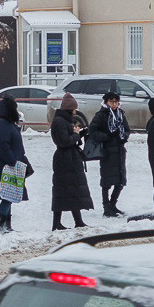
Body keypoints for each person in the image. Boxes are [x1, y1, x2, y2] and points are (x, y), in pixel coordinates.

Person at [48, 94, 93, 230]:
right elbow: (64, 141)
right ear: (69, 109)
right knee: (62, 191)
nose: (75, 112)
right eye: (74, 109)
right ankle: (57, 223)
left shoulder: (64, 120)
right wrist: (75, 135)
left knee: (73, 190)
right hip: (65, 160)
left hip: (70, 158)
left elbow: (70, 138)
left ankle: (77, 221)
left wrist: (80, 134)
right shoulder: (60, 121)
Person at [0, 95, 26, 235]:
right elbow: (3, 146)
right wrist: (13, 161)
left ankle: (6, 225)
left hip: (7, 164)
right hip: (5, 166)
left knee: (10, 194)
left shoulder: (6, 123)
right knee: (8, 195)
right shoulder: (3, 124)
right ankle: (0, 226)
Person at [88, 90, 130, 216]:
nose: (114, 104)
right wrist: (107, 136)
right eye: (112, 101)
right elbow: (93, 131)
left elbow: (127, 129)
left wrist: (123, 137)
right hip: (107, 152)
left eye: (116, 101)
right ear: (106, 102)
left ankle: (113, 204)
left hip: (119, 151)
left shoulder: (121, 114)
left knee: (121, 180)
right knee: (107, 181)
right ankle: (106, 207)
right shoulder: (101, 115)